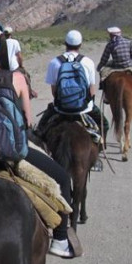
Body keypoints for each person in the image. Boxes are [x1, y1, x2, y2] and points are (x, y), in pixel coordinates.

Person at [0, 23, 80, 259]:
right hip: (16, 153)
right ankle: (59, 238)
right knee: (63, 179)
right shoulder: (17, 78)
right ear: (1, 50)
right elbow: (26, 120)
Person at [36, 29, 107, 171]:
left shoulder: (55, 62)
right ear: (80, 44)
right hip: (84, 109)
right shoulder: (87, 62)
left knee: (40, 130)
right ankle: (96, 158)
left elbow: (54, 91)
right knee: (104, 123)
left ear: (65, 43)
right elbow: (91, 90)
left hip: (60, 109)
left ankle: (43, 157)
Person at [96, 26, 132, 100]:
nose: (109, 36)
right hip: (128, 65)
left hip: (116, 66)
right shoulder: (128, 42)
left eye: (110, 34)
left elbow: (104, 59)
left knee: (102, 72)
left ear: (112, 35)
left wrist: (99, 67)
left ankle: (106, 94)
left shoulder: (110, 44)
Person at [2, 26, 38, 98]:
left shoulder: (1, 43)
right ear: (11, 34)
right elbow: (19, 56)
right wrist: (21, 65)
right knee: (26, 75)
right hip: (13, 66)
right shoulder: (15, 42)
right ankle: (30, 92)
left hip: (4, 67)